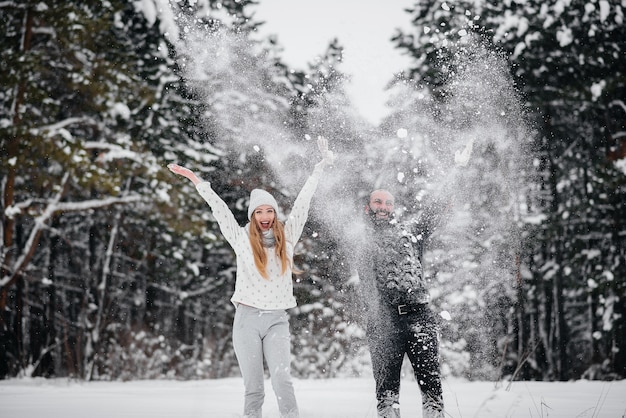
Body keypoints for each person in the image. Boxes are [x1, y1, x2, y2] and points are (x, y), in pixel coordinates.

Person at [167, 138, 334, 418]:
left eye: (269, 211)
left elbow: (303, 202)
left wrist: (319, 168)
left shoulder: (288, 236)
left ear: (274, 213)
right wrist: (195, 179)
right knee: (254, 387)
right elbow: (219, 209)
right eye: (260, 211)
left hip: (277, 320)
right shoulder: (241, 239)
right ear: (253, 215)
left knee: (282, 381)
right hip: (246, 320)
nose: (265, 216)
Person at [356, 189, 447, 418]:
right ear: (368, 206)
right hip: (385, 320)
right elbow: (367, 284)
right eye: (378, 201)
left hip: (420, 316)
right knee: (387, 398)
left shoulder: (410, 232)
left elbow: (432, 213)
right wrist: (377, 319)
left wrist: (457, 169)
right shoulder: (361, 237)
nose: (384, 206)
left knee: (433, 393)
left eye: (388, 203)